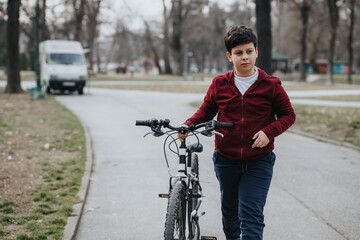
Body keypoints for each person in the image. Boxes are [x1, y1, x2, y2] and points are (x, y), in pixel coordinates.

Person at [178, 26, 296, 240]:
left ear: (256, 52)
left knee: (251, 215)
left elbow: (288, 115)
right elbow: (207, 110)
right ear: (229, 56)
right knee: (230, 213)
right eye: (239, 53)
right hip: (226, 160)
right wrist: (189, 124)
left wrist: (269, 132)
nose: (245, 57)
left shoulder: (271, 85)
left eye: (249, 51)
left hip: (259, 161)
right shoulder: (220, 84)